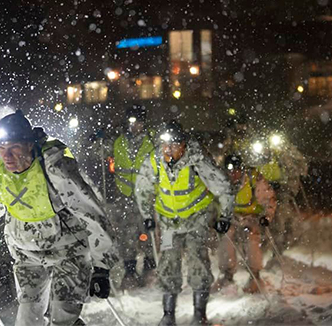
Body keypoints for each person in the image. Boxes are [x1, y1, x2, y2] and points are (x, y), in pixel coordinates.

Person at [0, 110, 118, 326]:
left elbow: (90, 213)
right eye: (2, 148)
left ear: (29, 145)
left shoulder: (55, 168)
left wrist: (102, 266)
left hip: (68, 252)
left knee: (63, 317)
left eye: (14, 148)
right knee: (27, 318)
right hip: (27, 253)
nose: (7, 156)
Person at [135, 120, 233, 326]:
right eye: (165, 145)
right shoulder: (155, 160)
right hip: (169, 222)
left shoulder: (197, 160)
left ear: (184, 145)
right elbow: (142, 187)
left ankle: (200, 313)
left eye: (173, 145)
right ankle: (168, 314)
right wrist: (146, 215)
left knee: (198, 261)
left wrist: (225, 216)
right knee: (168, 264)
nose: (168, 150)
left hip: (196, 219)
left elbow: (223, 186)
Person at [211, 153, 276, 294]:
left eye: (236, 170)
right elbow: (212, 200)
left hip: (250, 215)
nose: (233, 173)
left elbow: (269, 198)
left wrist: (267, 217)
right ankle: (227, 275)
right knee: (227, 234)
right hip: (231, 216)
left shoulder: (253, 179)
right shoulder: (220, 180)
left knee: (251, 235)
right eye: (229, 170)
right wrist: (216, 219)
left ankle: (255, 275)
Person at [110, 105, 156, 289]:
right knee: (126, 234)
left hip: (147, 196)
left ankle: (150, 268)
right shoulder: (119, 142)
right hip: (125, 195)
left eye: (138, 122)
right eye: (131, 122)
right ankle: (129, 271)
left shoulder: (152, 141)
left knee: (147, 231)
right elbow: (105, 152)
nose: (134, 126)